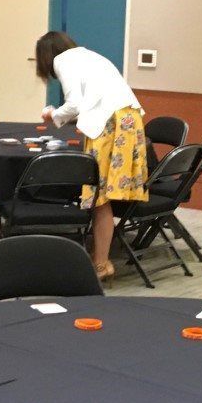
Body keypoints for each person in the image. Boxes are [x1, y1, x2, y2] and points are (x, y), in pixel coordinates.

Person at [34, 31, 148, 282]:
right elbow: (90, 104)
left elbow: (74, 104)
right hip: (128, 120)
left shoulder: (63, 60)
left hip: (110, 125)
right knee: (101, 196)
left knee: (97, 195)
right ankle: (100, 259)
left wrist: (53, 114)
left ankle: (101, 264)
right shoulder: (89, 56)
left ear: (45, 56)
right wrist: (62, 116)